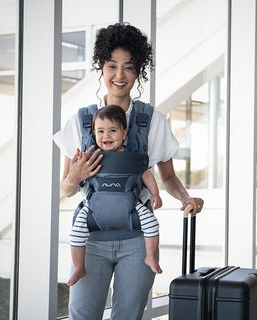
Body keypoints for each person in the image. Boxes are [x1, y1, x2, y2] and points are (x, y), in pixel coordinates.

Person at [53, 22, 204, 320]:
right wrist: (75, 176)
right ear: (101, 68)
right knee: (82, 315)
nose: (119, 75)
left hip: (138, 242)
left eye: (129, 67)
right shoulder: (81, 122)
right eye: (112, 66)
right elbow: (67, 188)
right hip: (90, 241)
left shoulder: (153, 121)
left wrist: (186, 197)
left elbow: (169, 178)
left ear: (139, 72)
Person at [68, 104, 164, 287]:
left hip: (129, 206)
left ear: (125, 132)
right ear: (94, 133)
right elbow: (72, 180)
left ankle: (150, 257)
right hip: (94, 207)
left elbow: (145, 174)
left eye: (113, 130)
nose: (106, 136)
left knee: (152, 223)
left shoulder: (132, 156)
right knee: (76, 231)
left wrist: (155, 194)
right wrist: (78, 164)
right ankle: (79, 267)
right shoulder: (90, 156)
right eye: (101, 131)